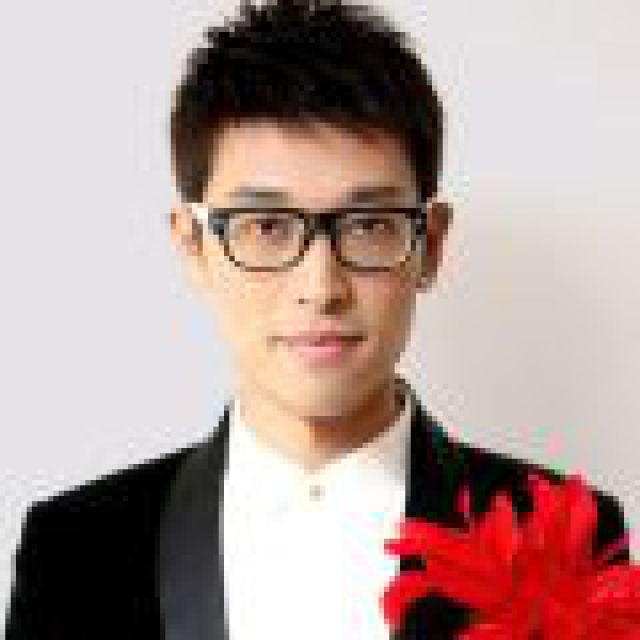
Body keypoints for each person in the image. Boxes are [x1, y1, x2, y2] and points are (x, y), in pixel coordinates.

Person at [4, 1, 630, 638]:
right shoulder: (74, 549)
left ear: (432, 246)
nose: (321, 288)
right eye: (266, 226)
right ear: (193, 247)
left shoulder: (562, 537)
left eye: (370, 225)